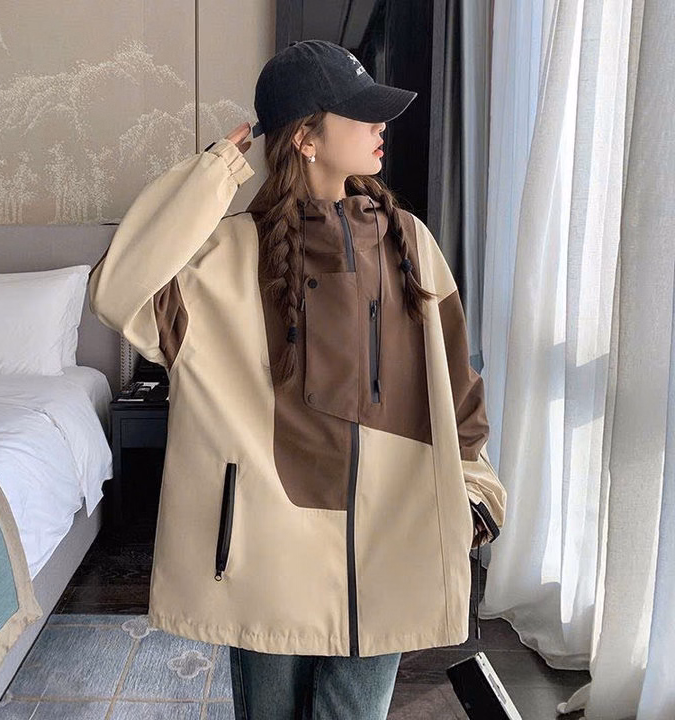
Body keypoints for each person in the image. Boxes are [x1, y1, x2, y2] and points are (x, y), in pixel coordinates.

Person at [88, 39, 505, 720]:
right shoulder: (222, 258)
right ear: (306, 138)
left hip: (390, 545)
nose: (380, 125)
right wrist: (216, 171)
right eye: (361, 112)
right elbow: (115, 292)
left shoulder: (410, 244)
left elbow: (458, 385)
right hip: (267, 557)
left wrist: (477, 489)